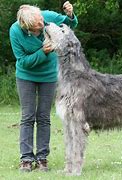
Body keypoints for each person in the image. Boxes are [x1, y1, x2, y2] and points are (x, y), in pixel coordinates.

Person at [9, 2, 78, 172]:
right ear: (27, 26)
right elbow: (23, 61)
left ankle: (42, 158)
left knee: (44, 117)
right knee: (27, 116)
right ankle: (26, 159)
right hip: (26, 76)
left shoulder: (45, 16)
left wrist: (70, 15)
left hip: (49, 76)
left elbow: (69, 24)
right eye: (38, 24)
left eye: (41, 19)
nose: (42, 23)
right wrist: (42, 53)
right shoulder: (15, 31)